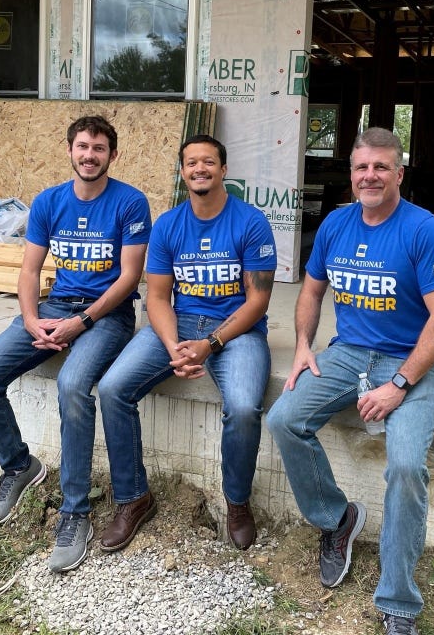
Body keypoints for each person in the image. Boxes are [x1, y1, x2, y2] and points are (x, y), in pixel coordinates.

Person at [266, 127, 434, 635]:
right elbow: (310, 292)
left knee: (404, 466)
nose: (369, 176)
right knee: (285, 418)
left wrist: (399, 383)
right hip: (348, 352)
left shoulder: (423, 230)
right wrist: (304, 344)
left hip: (411, 361)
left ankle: (398, 603)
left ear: (398, 173)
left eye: (380, 167)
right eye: (361, 167)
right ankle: (336, 520)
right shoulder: (335, 224)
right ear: (351, 174)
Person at [0, 115, 152, 574]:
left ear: (113, 155)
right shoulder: (48, 202)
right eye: (83, 146)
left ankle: (75, 513)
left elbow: (130, 278)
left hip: (105, 316)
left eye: (100, 148)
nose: (90, 155)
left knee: (72, 386)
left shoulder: (130, 202)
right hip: (54, 306)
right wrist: (32, 319)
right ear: (69, 150)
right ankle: (18, 465)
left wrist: (81, 322)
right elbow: (29, 271)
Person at [96, 134, 276, 552]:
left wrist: (209, 344)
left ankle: (237, 502)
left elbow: (259, 300)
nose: (200, 169)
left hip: (236, 330)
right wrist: (175, 343)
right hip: (179, 324)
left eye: (208, 162)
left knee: (246, 408)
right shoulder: (169, 224)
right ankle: (133, 498)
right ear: (182, 172)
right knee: (112, 388)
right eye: (192, 163)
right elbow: (157, 297)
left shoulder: (250, 222)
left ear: (224, 170)